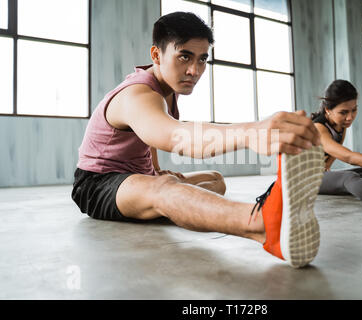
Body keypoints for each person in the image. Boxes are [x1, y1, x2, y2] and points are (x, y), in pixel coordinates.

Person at [71, 12, 325, 268]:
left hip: (137, 178)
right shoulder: (137, 94)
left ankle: (166, 202)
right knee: (166, 188)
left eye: (202, 59)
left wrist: (155, 170)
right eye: (184, 57)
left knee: (216, 180)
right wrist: (251, 132)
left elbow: (148, 135)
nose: (194, 70)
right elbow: (174, 136)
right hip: (97, 183)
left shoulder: (166, 90)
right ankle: (262, 224)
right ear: (157, 55)